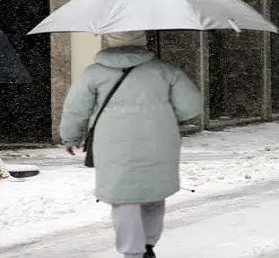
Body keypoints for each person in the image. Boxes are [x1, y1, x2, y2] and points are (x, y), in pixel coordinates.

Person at [60, 31, 202, 258]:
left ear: (109, 41)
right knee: (154, 192)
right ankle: (148, 244)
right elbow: (191, 106)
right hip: (159, 140)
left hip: (112, 145)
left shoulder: (93, 73)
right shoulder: (165, 70)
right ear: (143, 42)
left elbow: (76, 109)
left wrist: (70, 137)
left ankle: (131, 251)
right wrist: (163, 114)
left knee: (123, 197)